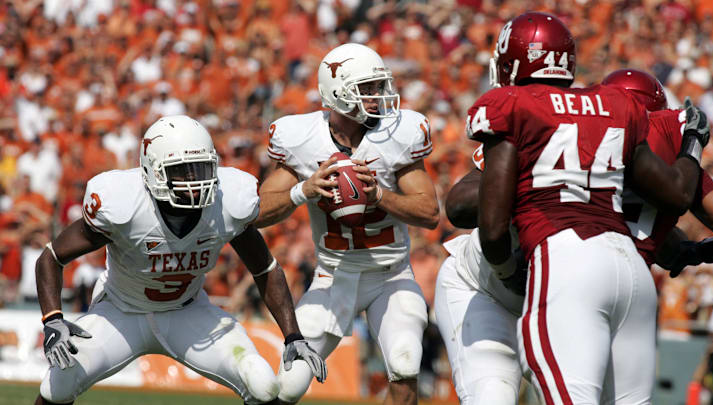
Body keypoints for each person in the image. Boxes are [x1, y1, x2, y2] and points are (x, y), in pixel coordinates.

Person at [468, 11, 709, 405]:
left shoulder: (511, 105)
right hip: (631, 272)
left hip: (566, 260)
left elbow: (492, 227)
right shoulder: (613, 103)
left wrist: (507, 271)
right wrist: (693, 145)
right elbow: (678, 195)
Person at [35, 115, 326, 405]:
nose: (195, 182)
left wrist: (293, 335)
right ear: (152, 171)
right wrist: (53, 320)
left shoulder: (228, 202)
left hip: (187, 312)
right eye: (182, 172)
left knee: (262, 382)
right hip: (121, 312)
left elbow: (265, 268)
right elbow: (51, 257)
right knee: (58, 383)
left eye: (201, 169)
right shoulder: (123, 203)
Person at [257, 43, 439, 405]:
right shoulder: (302, 139)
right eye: (367, 89)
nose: (378, 96)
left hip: (392, 275)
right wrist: (302, 190)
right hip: (334, 275)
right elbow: (258, 211)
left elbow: (430, 212)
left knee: (405, 364)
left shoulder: (398, 133)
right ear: (336, 93)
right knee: (288, 385)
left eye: (378, 86)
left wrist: (380, 197)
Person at [601, 69, 713, 274]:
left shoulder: (580, 145)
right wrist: (701, 250)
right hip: (635, 276)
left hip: (576, 263)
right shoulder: (673, 158)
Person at [435, 145, 525, 405]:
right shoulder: (535, 125)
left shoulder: (635, 133)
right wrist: (534, 187)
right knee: (493, 394)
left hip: (569, 299)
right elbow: (459, 205)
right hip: (482, 288)